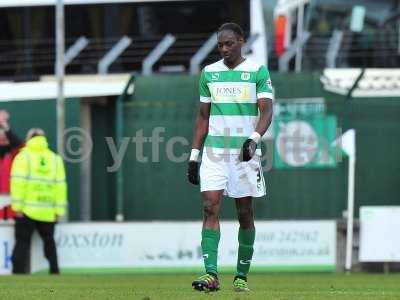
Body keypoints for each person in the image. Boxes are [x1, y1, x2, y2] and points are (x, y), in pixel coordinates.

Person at [187, 23, 273, 292]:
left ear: (241, 41)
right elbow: (203, 117)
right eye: (220, 45)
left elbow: (266, 113)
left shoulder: (257, 70)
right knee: (210, 207)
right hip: (214, 152)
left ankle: (241, 275)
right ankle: (211, 274)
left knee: (244, 214)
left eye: (229, 44)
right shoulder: (209, 74)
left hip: (244, 155)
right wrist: (193, 156)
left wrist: (253, 139)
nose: (224, 49)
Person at [10, 128, 67, 274]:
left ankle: (17, 273)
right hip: (48, 210)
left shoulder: (23, 157)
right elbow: (60, 185)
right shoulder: (55, 159)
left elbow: (18, 183)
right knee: (49, 242)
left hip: (27, 209)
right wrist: (59, 210)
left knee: (22, 242)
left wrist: (17, 207)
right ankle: (54, 271)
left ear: (29, 138)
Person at [0, 110, 23, 220]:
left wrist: (6, 127)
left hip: (13, 212)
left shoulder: (16, 155)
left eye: (5, 136)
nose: (2, 138)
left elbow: (21, 145)